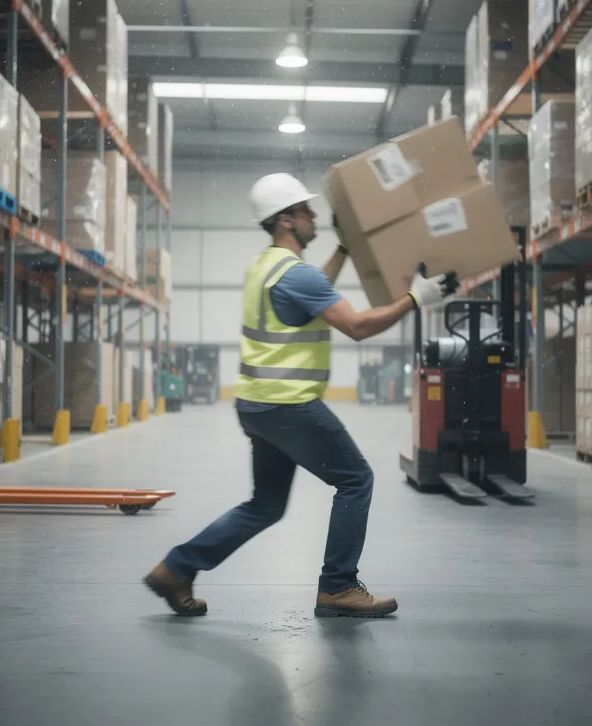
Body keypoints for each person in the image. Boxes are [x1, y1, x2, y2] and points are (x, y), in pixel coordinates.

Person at [144, 172, 456, 619]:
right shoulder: (295, 275)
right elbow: (356, 326)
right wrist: (414, 298)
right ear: (285, 220)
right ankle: (338, 587)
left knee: (265, 505)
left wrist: (345, 249)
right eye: (305, 210)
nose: (314, 216)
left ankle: (176, 569)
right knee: (356, 480)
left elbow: (312, 290)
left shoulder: (266, 267)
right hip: (288, 405)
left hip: (256, 405)